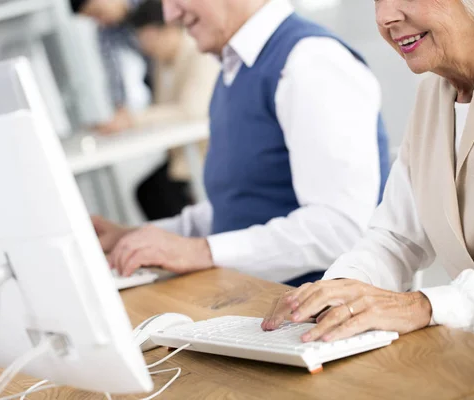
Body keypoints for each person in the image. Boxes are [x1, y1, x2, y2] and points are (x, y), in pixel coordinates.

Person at [262, 0, 474, 343]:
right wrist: (338, 290)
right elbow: (396, 238)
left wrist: (425, 306)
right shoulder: (432, 97)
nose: (384, 17)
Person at [92, 0, 390, 286]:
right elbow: (240, 205)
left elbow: (339, 228)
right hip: (260, 302)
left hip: (318, 313)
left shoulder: (310, 61)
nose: (169, 13)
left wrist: (202, 252)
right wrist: (134, 238)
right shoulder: (233, 70)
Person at [98, 0, 220, 220]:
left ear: (169, 30)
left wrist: (133, 120)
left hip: (206, 153)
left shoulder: (198, 52)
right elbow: (163, 109)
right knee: (149, 191)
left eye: (149, 38)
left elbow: (191, 111)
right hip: (182, 155)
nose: (145, 47)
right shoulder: (161, 65)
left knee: (157, 193)